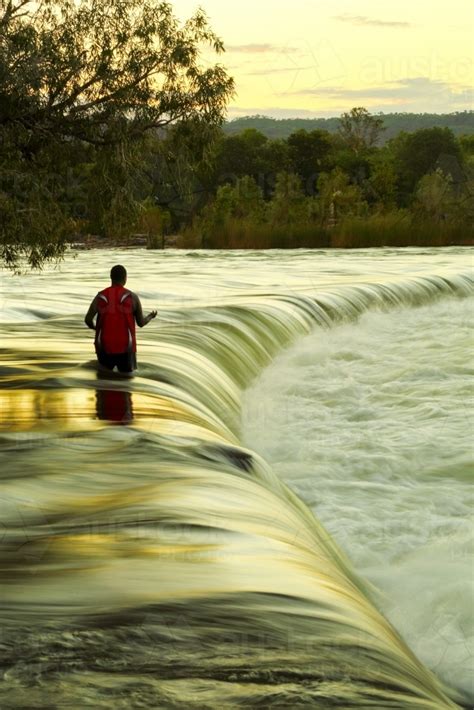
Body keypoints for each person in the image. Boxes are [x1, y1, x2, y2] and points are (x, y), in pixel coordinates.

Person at [85, 264, 157, 374]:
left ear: (111, 277)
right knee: (126, 382)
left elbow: (88, 319)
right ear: (125, 278)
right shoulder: (132, 297)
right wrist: (150, 317)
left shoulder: (100, 297)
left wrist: (96, 328)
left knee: (104, 383)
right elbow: (141, 323)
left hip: (104, 346)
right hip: (126, 348)